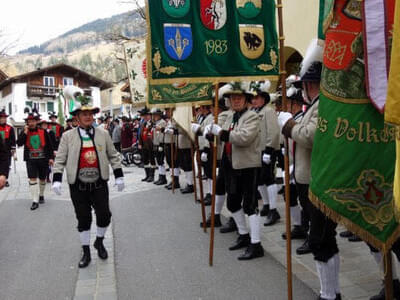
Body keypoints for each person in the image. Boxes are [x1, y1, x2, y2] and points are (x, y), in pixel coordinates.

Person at [278, 40, 341, 300]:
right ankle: (330, 292)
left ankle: (330, 294)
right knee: (321, 240)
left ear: (309, 84)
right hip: (308, 178)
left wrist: (289, 125)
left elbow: (312, 135)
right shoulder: (313, 106)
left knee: (320, 239)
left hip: (320, 181)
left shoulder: (323, 105)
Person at [52, 90, 124, 268]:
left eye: (90, 113)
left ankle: (99, 241)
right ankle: (86, 251)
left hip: (99, 184)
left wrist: (119, 176)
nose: (88, 116)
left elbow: (113, 155)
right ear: (76, 117)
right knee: (83, 219)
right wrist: (57, 179)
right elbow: (60, 159)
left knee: (105, 216)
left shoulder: (103, 134)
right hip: (78, 186)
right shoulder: (67, 136)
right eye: (84, 113)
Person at [207, 81, 264, 260]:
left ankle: (256, 244)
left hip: (248, 166)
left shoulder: (252, 117)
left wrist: (222, 134)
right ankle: (243, 234)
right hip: (231, 165)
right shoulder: (232, 117)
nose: (236, 101)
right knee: (232, 202)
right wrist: (210, 133)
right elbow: (222, 134)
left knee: (250, 205)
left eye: (239, 98)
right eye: (233, 98)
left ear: (246, 99)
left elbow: (244, 138)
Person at [249, 81, 281, 227]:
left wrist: (269, 149)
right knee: (259, 180)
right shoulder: (254, 112)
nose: (254, 100)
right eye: (253, 98)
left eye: (257, 98)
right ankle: (267, 205)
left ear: (264, 99)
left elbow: (273, 131)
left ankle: (274, 210)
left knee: (268, 178)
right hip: (256, 151)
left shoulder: (268, 111)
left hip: (266, 150)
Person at [17, 112, 54, 210]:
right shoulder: (24, 131)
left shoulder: (43, 131)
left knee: (42, 178)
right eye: (29, 121)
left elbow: (49, 145)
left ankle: (41, 195)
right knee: (32, 178)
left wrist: (51, 158)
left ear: (36, 122)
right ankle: (35, 200)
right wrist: (24, 133)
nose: (31, 123)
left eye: (33, 121)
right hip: (30, 159)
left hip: (43, 158)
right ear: (27, 122)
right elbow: (19, 143)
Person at [139, 108, 156, 182]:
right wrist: (140, 143)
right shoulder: (143, 123)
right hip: (144, 144)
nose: (145, 117)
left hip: (150, 145)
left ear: (150, 115)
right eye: (144, 116)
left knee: (152, 160)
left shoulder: (153, 123)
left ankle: (152, 176)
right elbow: (140, 134)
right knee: (145, 160)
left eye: (147, 115)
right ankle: (147, 175)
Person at [151, 108, 168, 185]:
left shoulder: (162, 122)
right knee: (158, 161)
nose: (154, 116)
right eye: (154, 115)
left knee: (161, 161)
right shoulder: (157, 122)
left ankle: (163, 177)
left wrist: (161, 144)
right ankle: (161, 176)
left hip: (160, 143)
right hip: (156, 143)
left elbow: (161, 134)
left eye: (155, 115)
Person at [0, 109, 16, 187]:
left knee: (7, 164)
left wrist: (13, 149)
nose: (3, 119)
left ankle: (5, 179)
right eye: (1, 118)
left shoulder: (10, 128)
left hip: (7, 150)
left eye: (4, 118)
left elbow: (13, 139)